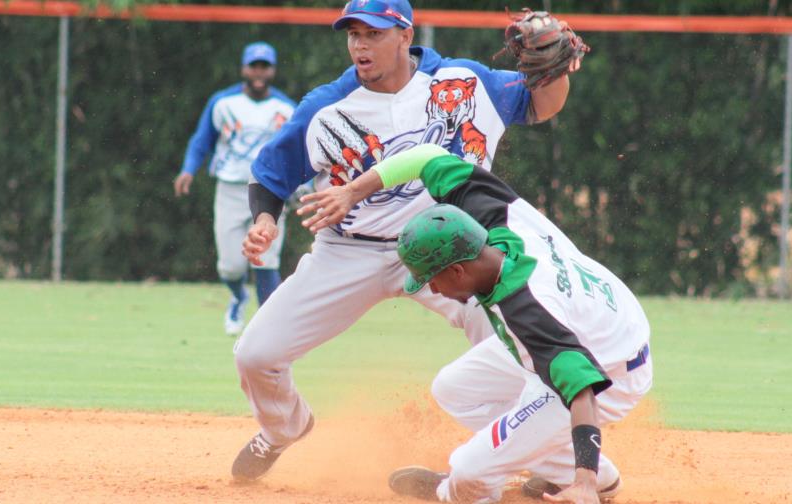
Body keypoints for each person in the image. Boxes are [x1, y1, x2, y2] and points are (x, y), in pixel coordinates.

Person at [234, 0, 586, 483]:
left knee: (515, 350)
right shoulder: (326, 108)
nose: (360, 44)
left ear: (404, 35)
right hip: (349, 250)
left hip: (450, 250)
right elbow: (271, 177)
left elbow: (543, 103)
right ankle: (284, 428)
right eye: (353, 34)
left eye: (373, 33)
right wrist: (265, 222)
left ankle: (542, 463)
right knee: (256, 356)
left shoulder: (464, 83)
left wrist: (554, 66)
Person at [298, 144, 653, 503]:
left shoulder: (526, 307)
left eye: (432, 279)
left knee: (468, 470)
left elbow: (581, 390)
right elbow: (425, 156)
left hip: (609, 368)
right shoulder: (496, 219)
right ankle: (590, 475)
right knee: (454, 388)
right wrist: (353, 191)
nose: (432, 289)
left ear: (457, 269)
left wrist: (584, 482)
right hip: (593, 323)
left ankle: (455, 492)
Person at [174, 42, 297, 336]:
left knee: (267, 260)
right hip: (230, 188)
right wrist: (189, 169)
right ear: (244, 68)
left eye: (264, 67)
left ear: (272, 70)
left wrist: (301, 184)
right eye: (253, 66)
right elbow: (201, 139)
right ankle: (239, 296)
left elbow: (297, 151)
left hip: (269, 190)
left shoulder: (286, 108)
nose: (258, 72)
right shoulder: (223, 103)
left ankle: (267, 329)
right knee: (230, 266)